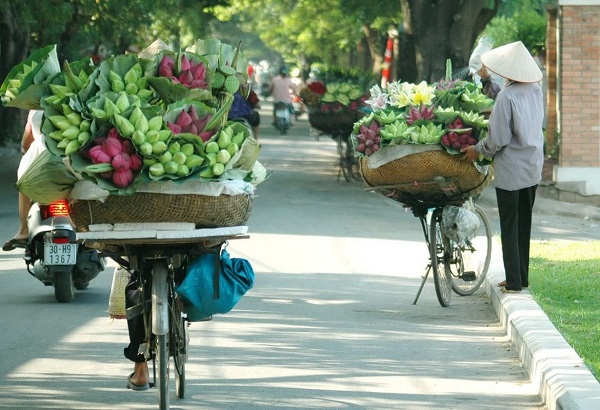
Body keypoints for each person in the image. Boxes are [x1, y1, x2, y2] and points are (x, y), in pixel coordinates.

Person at [461, 41, 544, 294]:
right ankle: (522, 277)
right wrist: (487, 80)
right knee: (523, 222)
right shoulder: (535, 89)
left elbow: (497, 139)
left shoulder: (507, 97)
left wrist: (478, 149)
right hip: (533, 165)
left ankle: (514, 281)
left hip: (511, 170)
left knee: (509, 224)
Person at [2, 110, 44, 252]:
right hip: (71, 164)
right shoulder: (77, 101)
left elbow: (26, 144)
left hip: (41, 165)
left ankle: (24, 230)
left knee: (24, 183)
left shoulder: (36, 110)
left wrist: (24, 150)